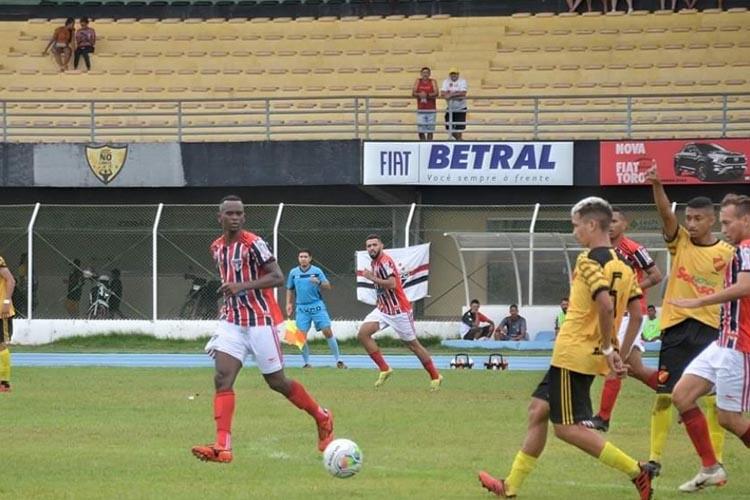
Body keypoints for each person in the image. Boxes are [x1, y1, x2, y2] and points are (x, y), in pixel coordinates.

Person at [478, 197, 656, 500]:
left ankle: (637, 471)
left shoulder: (587, 260)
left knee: (567, 429)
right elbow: (637, 314)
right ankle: (509, 487)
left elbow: (604, 302)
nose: (574, 232)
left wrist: (606, 346)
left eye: (576, 226)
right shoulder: (625, 267)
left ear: (591, 225)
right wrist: (619, 353)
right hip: (586, 353)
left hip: (574, 352)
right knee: (538, 410)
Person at [191, 196, 334, 463]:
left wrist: (241, 286)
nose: (235, 217)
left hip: (261, 322)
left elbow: (277, 277)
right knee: (222, 378)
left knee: (277, 382)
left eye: (239, 214)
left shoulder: (254, 244)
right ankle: (223, 447)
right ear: (219, 217)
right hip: (232, 322)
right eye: (229, 213)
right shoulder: (217, 247)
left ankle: (321, 416)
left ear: (244, 218)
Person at [644, 166, 734, 479]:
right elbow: (665, 216)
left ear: (713, 219)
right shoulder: (679, 241)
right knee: (664, 395)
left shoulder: (729, 252)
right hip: (677, 327)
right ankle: (654, 458)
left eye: (698, 219)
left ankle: (715, 460)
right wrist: (658, 186)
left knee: (713, 401)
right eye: (689, 218)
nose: (691, 224)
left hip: (711, 330)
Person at [667, 193, 750, 492]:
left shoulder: (747, 249)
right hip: (722, 341)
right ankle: (710, 467)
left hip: (739, 346)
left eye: (729, 223)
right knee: (682, 396)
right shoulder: (738, 250)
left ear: (746, 220)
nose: (725, 229)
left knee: (729, 418)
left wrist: (699, 301)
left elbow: (745, 287)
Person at [583, 206, 663, 432]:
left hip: (630, 315)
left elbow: (656, 275)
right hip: (613, 313)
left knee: (614, 361)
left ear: (624, 225)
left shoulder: (634, 249)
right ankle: (679, 393)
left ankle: (603, 418)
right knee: (635, 368)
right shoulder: (601, 250)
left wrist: (632, 290)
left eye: (616, 221)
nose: (611, 225)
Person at [358, 234, 442, 391]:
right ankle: (385, 368)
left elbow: (392, 283)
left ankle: (435, 376)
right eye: (369, 246)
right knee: (363, 334)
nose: (372, 248)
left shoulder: (385, 261)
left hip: (399, 311)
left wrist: (371, 277)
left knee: (413, 346)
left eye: (374, 245)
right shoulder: (374, 262)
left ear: (381, 245)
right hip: (383, 309)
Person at [285, 249, 346, 369]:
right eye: (301, 256)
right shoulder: (293, 272)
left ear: (310, 258)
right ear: (298, 258)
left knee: (327, 331)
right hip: (302, 308)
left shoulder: (317, 271)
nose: (303, 259)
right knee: (300, 336)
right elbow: (289, 288)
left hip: (317, 305)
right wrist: (288, 303)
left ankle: (339, 360)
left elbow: (328, 286)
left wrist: (318, 282)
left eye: (305, 256)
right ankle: (306, 363)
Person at [0, 254, 16, 393]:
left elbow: (10, 280)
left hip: (1, 312)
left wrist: (6, 302)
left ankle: (4, 383)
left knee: (1, 345)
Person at [440, 68, 468, 141]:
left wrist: (451, 95)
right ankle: (459, 140)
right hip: (450, 108)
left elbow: (463, 93)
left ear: (458, 74)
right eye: (452, 74)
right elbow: (442, 93)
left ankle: (459, 140)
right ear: (450, 75)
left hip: (461, 108)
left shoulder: (462, 81)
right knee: (448, 126)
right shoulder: (446, 81)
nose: (453, 75)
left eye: (455, 74)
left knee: (459, 128)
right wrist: (456, 94)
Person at [412, 67, 438, 141]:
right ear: (421, 74)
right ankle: (423, 143)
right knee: (420, 130)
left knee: (430, 130)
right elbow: (413, 93)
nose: (425, 74)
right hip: (421, 109)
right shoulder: (418, 81)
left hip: (431, 109)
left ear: (429, 74)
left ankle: (429, 143)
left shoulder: (433, 81)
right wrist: (420, 94)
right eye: (424, 73)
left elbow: (436, 93)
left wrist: (427, 95)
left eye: (427, 73)